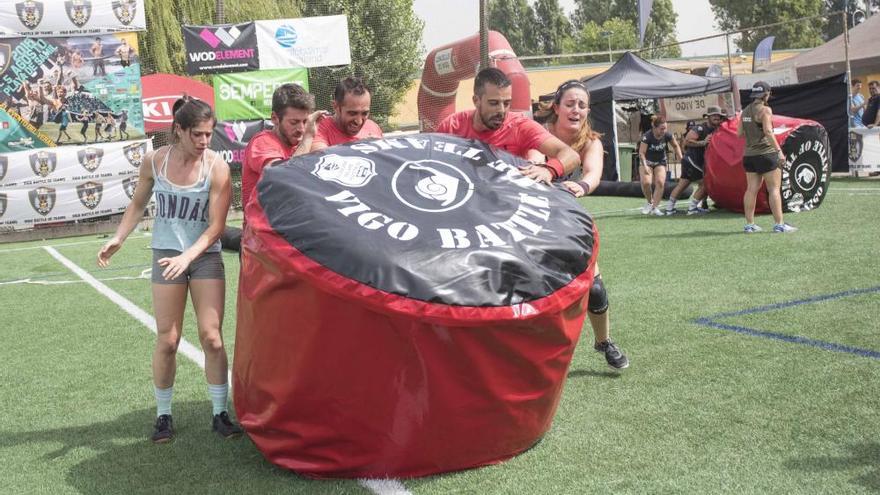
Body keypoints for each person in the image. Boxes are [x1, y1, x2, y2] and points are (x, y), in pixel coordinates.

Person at [97, 97, 242, 443]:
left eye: (209, 134)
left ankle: (220, 413)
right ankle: (163, 416)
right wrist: (118, 237)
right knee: (168, 340)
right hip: (166, 255)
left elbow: (216, 227)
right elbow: (137, 204)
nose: (204, 141)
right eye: (197, 134)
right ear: (178, 130)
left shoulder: (217, 168)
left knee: (212, 336)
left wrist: (188, 257)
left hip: (203, 255)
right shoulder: (155, 161)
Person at [536, 79, 629, 369]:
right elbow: (535, 163)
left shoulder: (591, 142)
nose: (576, 110)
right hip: (532, 221)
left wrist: (581, 187)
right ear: (556, 107)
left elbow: (593, 174)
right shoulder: (539, 134)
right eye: (570, 104)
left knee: (596, 289)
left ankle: (604, 342)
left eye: (582, 105)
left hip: (568, 221)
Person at [437, 67, 581, 183]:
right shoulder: (451, 127)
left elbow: (571, 156)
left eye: (506, 103)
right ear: (476, 101)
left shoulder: (520, 126)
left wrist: (549, 170)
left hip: (507, 200)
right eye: (493, 103)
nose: (501, 110)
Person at [241, 84, 326, 223]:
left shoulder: (300, 144)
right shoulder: (262, 142)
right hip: (264, 235)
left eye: (305, 121)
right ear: (274, 118)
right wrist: (309, 137)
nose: (301, 129)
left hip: (292, 226)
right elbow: (283, 177)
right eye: (294, 122)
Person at [738, 81, 796, 233]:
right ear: (766, 94)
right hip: (767, 154)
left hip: (749, 156)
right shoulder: (765, 110)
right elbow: (768, 132)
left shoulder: (745, 111)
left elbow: (739, 134)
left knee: (751, 190)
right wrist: (779, 152)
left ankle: (750, 225)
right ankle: (779, 225)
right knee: (774, 189)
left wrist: (753, 134)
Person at [665, 106, 726, 215]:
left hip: (694, 161)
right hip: (692, 160)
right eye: (714, 115)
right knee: (706, 184)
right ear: (708, 117)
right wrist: (703, 142)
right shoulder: (700, 128)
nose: (717, 117)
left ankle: (669, 209)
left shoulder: (719, 128)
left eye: (719, 115)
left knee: (682, 184)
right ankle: (692, 208)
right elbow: (687, 141)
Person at [310, 77, 383, 151]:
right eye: (352, 113)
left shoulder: (373, 127)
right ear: (335, 107)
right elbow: (321, 158)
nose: (359, 121)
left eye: (364, 113)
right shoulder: (319, 129)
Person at [638, 115, 682, 216]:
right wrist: (645, 166)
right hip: (646, 161)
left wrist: (681, 159)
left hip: (660, 162)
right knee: (646, 183)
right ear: (655, 128)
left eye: (665, 128)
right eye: (662, 129)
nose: (664, 130)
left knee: (660, 182)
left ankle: (655, 208)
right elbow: (641, 153)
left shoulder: (667, 135)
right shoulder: (647, 136)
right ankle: (649, 202)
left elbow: (676, 146)